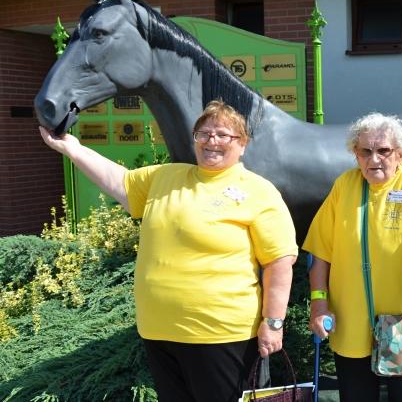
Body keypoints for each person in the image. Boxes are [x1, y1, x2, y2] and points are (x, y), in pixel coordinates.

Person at [39, 99, 298, 402]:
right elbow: (119, 182)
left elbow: (280, 261)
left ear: (242, 144)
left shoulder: (258, 191)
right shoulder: (166, 177)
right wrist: (72, 148)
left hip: (222, 335)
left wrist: (274, 322)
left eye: (222, 134)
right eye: (203, 134)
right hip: (160, 331)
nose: (211, 141)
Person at [304, 112, 402, 402]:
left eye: (384, 151)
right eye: (366, 151)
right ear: (355, 154)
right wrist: (319, 303)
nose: (374, 159)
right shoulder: (345, 185)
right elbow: (319, 252)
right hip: (350, 325)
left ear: (400, 154)